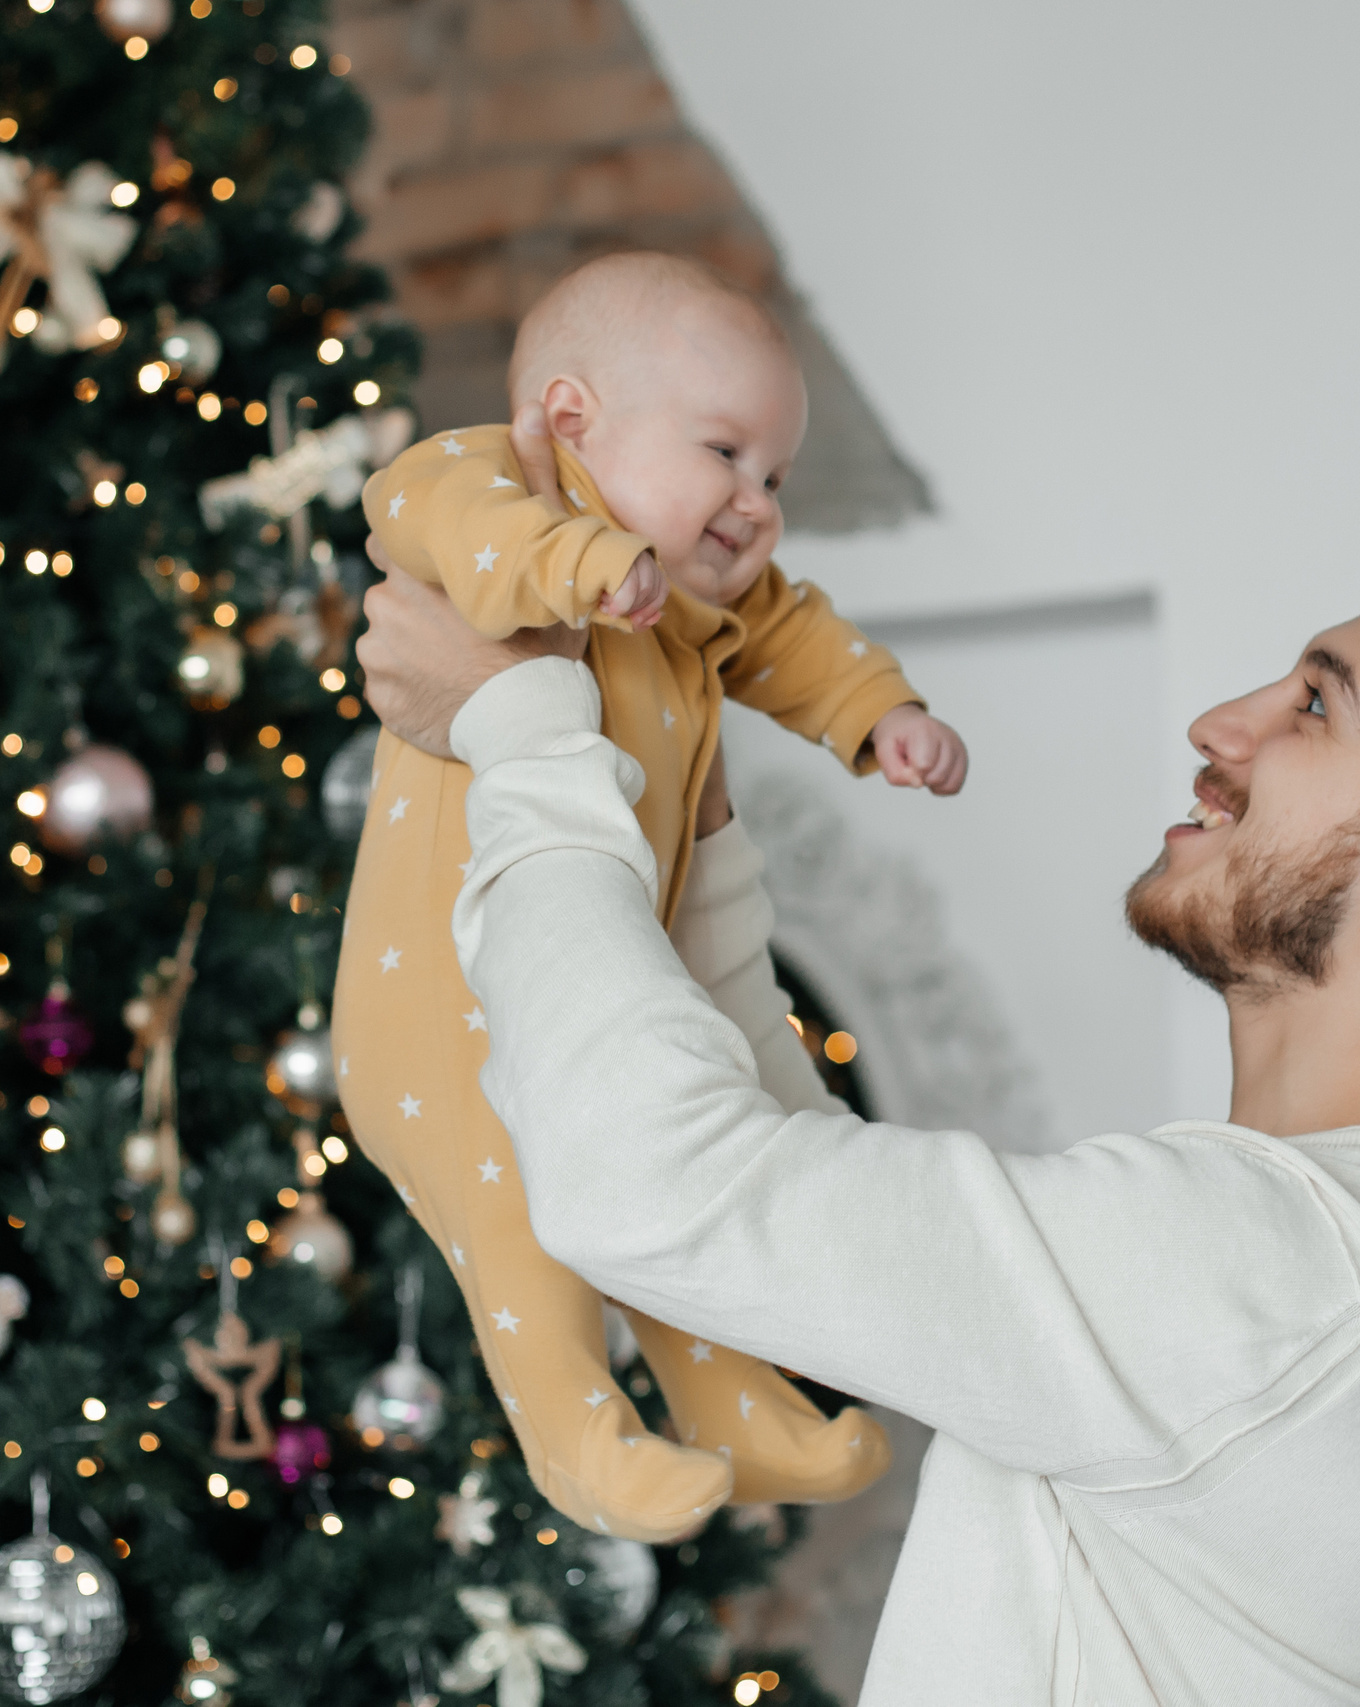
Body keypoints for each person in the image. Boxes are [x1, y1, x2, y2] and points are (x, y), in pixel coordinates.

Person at [358, 456, 1360, 1703]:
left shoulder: (1277, 1276)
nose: (1222, 722)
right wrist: (703, 848)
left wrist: (526, 739)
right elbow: (795, 1191)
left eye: (1316, 707)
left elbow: (654, 1187)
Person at [332, 253, 966, 1541]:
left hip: (593, 987)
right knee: (526, 1223)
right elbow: (414, 511)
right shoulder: (489, 484)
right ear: (573, 424)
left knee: (668, 1181)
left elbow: (797, 635)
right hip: (443, 1013)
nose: (759, 505)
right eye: (727, 454)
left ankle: (737, 1408)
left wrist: (880, 714)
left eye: (776, 476)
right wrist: (569, 561)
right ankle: (575, 1434)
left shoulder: (689, 608)